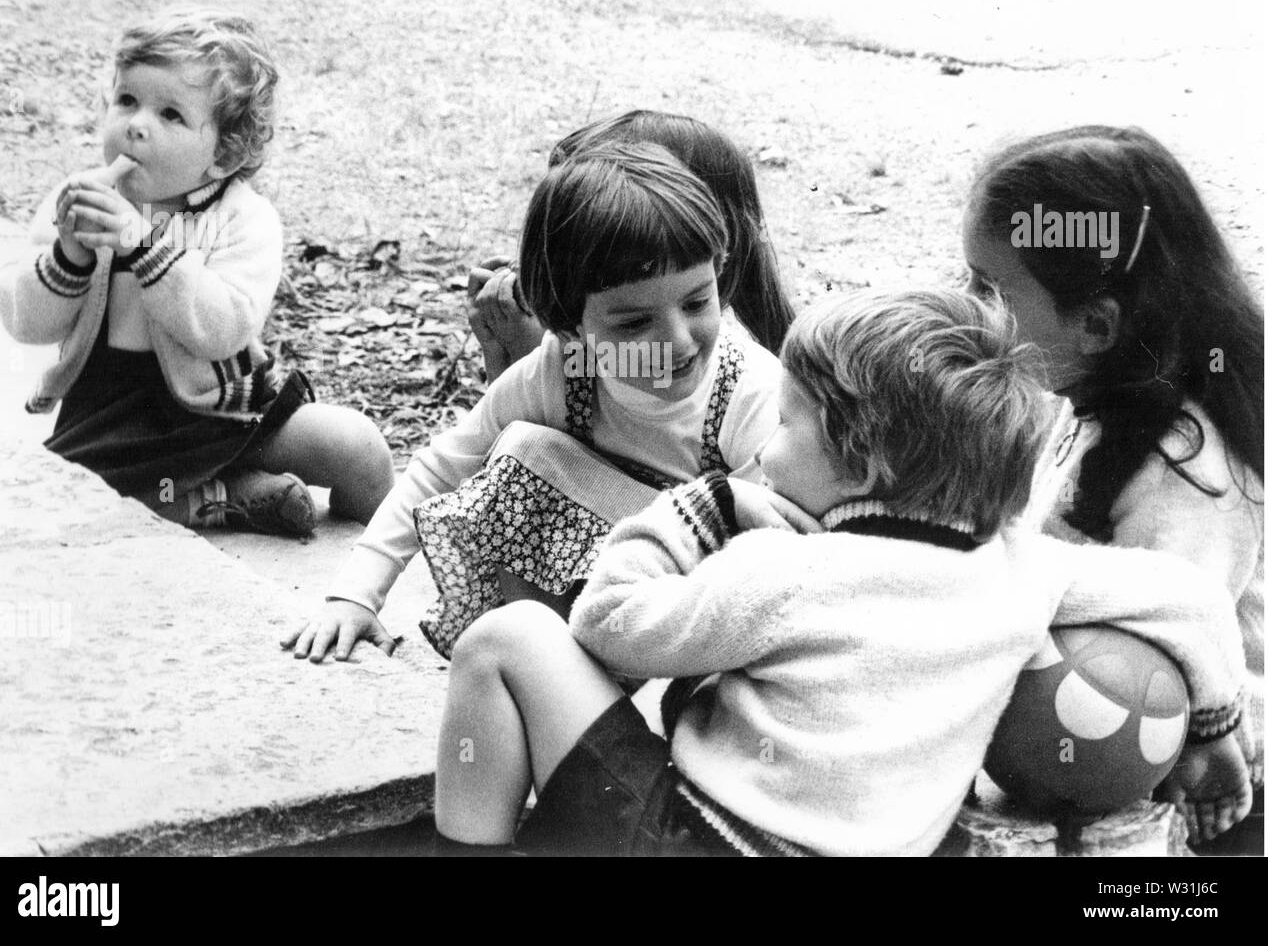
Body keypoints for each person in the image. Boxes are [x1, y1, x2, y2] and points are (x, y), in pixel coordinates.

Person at [431, 288, 1249, 856]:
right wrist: (1213, 736)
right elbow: (1193, 602)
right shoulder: (1023, 568)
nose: (762, 451)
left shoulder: (787, 571)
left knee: (508, 639)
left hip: (696, 843)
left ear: (858, 461)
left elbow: (608, 624)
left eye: (786, 425)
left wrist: (698, 513)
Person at [283, 142, 781, 663]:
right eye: (635, 323)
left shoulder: (748, 391)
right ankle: (541, 663)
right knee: (522, 449)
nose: (678, 341)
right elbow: (441, 468)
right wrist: (355, 594)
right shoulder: (565, 372)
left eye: (697, 302)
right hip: (591, 604)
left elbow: (767, 560)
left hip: (695, 607)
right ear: (570, 328)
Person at [963, 124, 1263, 849]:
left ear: (1095, 324)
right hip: (1108, 718)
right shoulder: (1096, 391)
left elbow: (1178, 631)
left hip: (1198, 763)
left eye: (988, 289)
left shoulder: (1183, 468)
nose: (968, 307)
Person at [0, 8, 394, 537]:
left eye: (170, 115)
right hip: (119, 420)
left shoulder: (243, 220)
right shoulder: (80, 201)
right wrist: (70, 256)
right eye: (127, 100)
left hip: (226, 410)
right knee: (82, 503)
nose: (136, 124)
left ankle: (381, 557)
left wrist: (144, 244)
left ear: (224, 154)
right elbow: (26, 322)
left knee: (360, 449)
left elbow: (222, 327)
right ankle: (220, 500)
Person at [468, 109, 794, 382]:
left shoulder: (722, 371)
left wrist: (534, 351)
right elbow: (509, 436)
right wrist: (506, 352)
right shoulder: (605, 342)